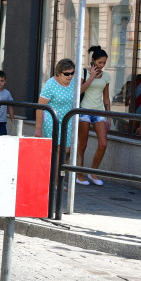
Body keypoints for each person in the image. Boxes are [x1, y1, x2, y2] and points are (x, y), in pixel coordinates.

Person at [36, 57, 79, 178]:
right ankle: (55, 180)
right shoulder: (50, 84)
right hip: (52, 119)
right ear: (59, 73)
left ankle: (51, 174)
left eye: (72, 73)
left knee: (66, 150)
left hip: (67, 119)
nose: (70, 76)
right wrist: (38, 128)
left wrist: (91, 77)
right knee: (58, 150)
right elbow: (40, 106)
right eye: (67, 74)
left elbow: (81, 90)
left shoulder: (74, 82)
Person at [76, 46, 112, 185]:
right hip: (84, 110)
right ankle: (79, 175)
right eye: (100, 62)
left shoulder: (106, 76)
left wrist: (108, 115)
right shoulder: (83, 72)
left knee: (103, 144)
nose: (102, 65)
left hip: (99, 112)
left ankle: (93, 172)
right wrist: (91, 76)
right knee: (83, 144)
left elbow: (106, 98)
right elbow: (79, 91)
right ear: (93, 61)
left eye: (104, 63)